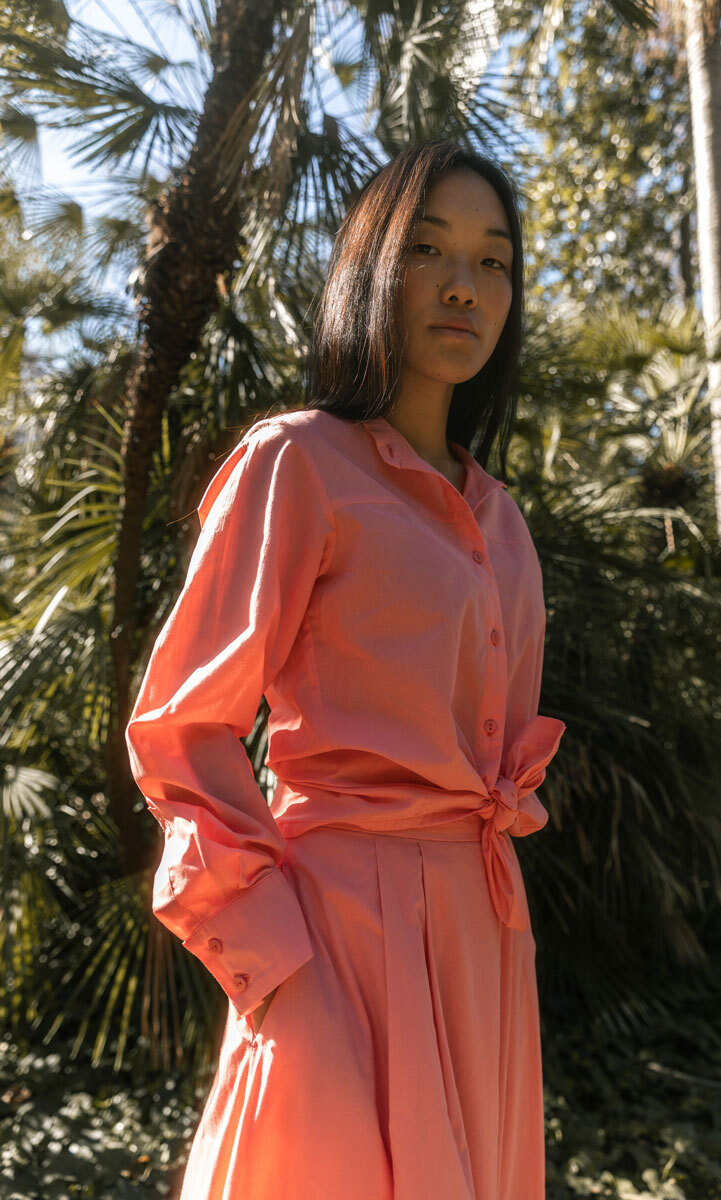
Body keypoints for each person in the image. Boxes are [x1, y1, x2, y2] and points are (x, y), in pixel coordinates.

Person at [125, 137, 567, 1200]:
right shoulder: (295, 464)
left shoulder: (501, 522)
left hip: (484, 945)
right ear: (372, 266)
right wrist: (278, 969)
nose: (465, 284)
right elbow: (182, 730)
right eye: (427, 250)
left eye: (493, 260)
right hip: (336, 941)